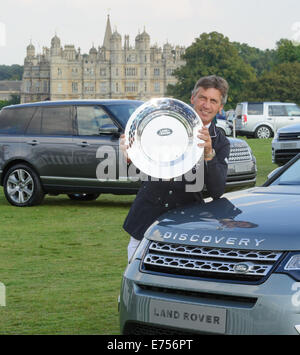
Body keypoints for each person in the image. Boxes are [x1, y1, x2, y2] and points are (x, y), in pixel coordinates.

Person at [120, 75, 231, 261]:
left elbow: (217, 190)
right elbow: (136, 173)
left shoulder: (221, 141)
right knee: (136, 278)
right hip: (146, 218)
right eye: (202, 98)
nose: (206, 105)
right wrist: (130, 158)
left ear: (220, 107)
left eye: (213, 101)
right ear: (192, 99)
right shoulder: (161, 125)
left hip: (186, 224)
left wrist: (209, 153)